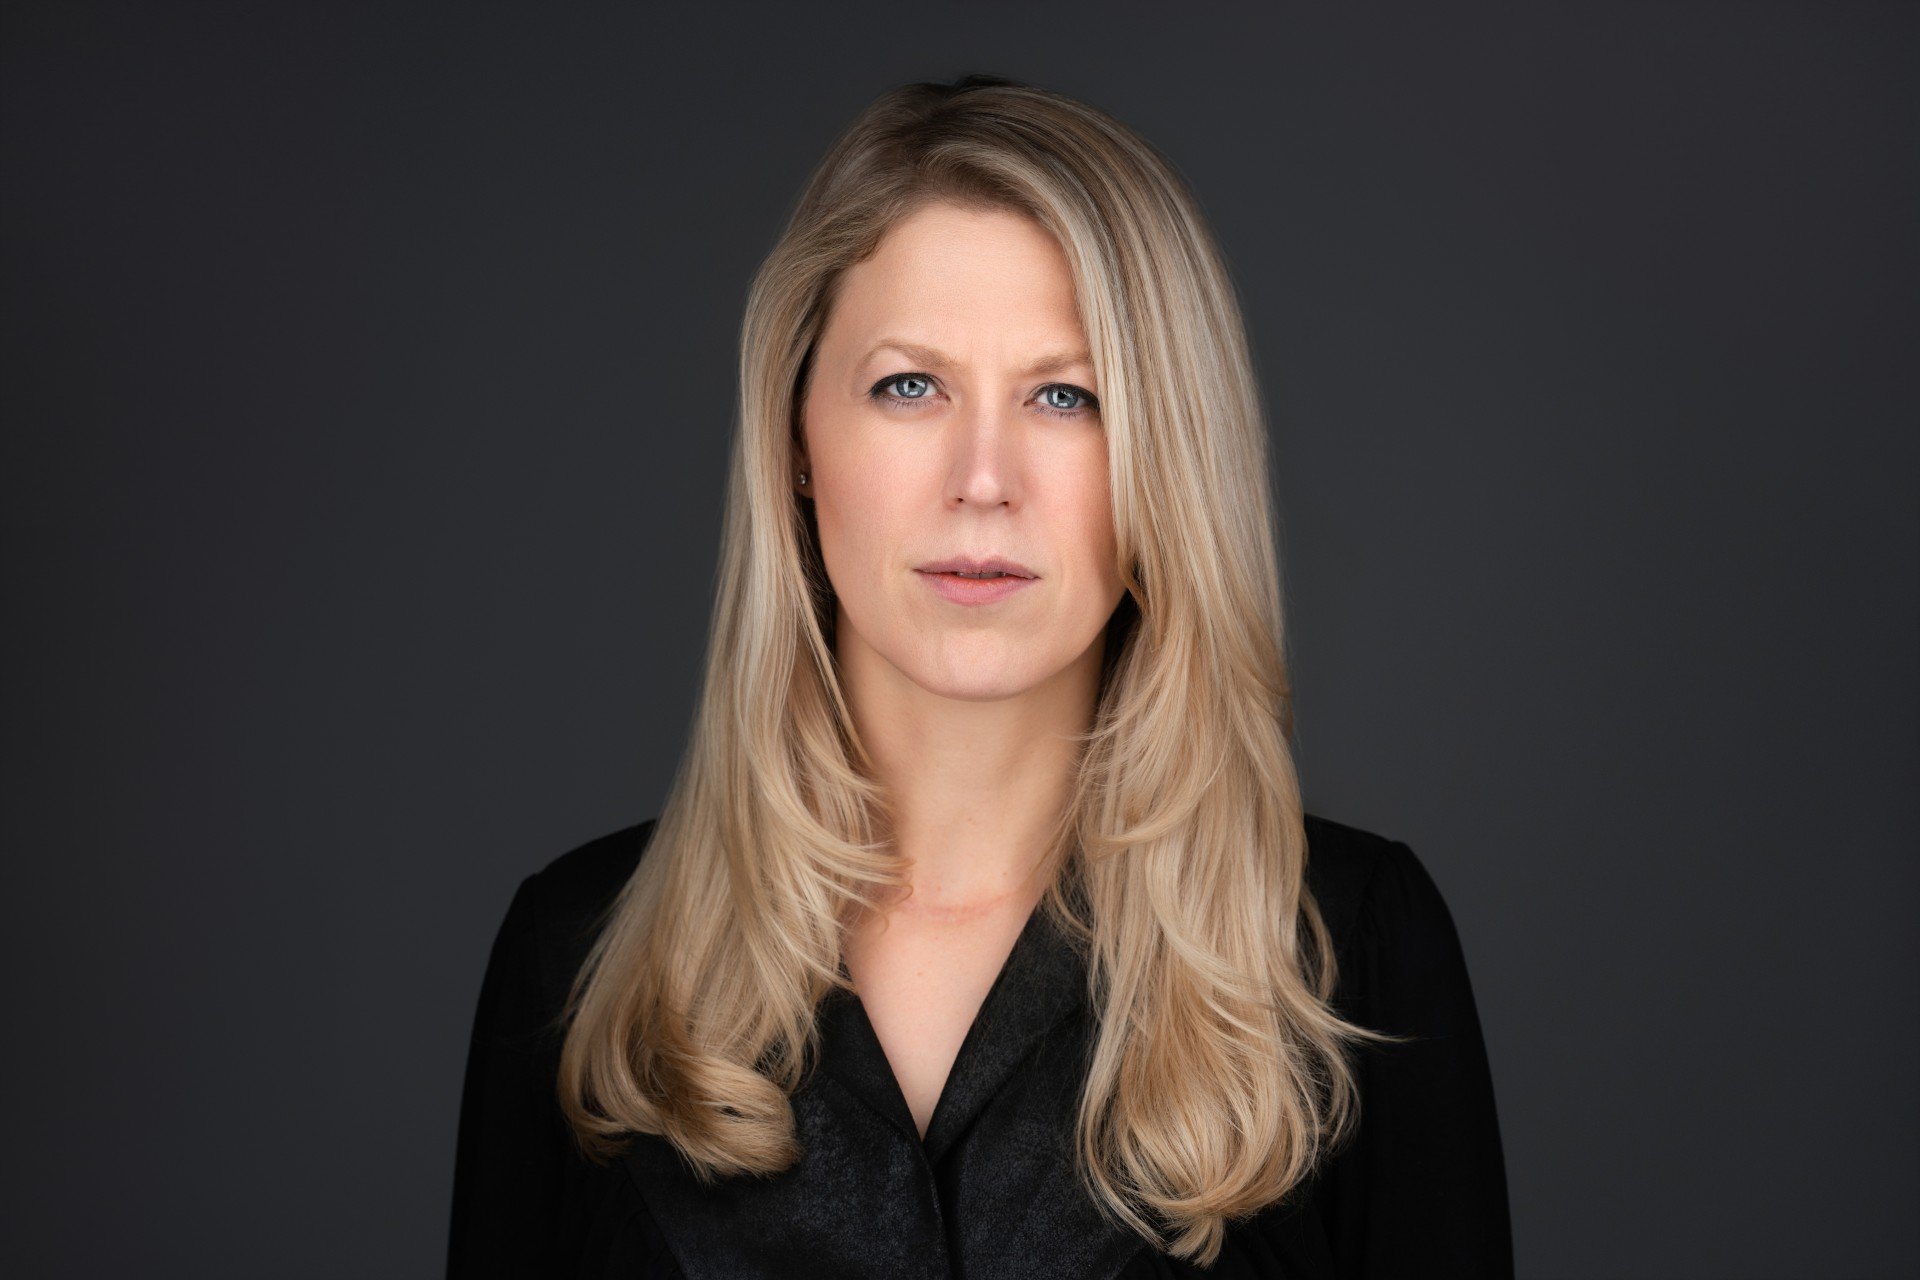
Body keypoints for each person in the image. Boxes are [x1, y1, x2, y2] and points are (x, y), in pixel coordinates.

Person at [447, 74, 1512, 1279]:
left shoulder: (1349, 949)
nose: (984, 476)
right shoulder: (577, 957)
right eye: (911, 385)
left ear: (1165, 457)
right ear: (797, 438)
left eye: (1067, 395)